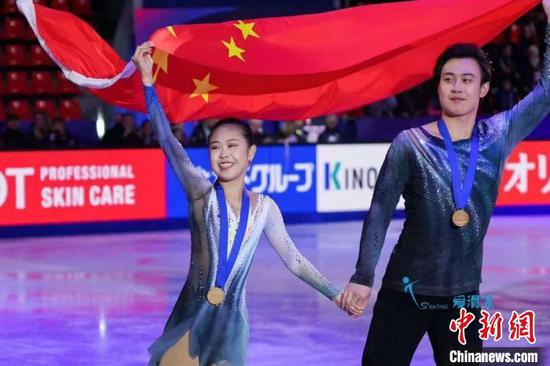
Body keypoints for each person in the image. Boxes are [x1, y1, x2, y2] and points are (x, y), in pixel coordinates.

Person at [341, 2, 550, 365]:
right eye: (448, 79)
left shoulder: (498, 136)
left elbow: (547, 91)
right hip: (403, 291)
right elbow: (379, 212)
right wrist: (363, 275)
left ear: (483, 89)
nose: (457, 87)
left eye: (467, 80)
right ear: (437, 86)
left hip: (464, 300)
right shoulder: (410, 144)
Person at [132, 41, 348, 366]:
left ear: (250, 154)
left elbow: (295, 261)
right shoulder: (200, 193)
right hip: (192, 315)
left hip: (232, 325)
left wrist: (335, 294)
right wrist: (149, 84)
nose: (223, 154)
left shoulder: (265, 209)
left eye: (233, 145)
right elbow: (168, 142)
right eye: (215, 147)